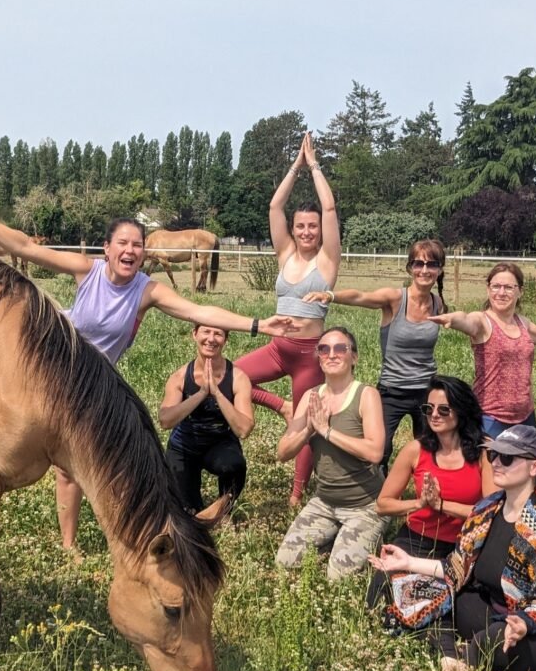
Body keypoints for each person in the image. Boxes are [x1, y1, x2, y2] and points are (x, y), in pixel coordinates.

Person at [0, 210, 294, 551]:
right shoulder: (87, 270)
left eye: (137, 245)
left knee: (79, 467)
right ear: (107, 248)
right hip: (48, 371)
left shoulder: (147, 291)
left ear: (144, 252)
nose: (130, 251)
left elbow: (199, 312)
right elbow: (24, 247)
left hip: (92, 388)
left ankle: (100, 537)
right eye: (122, 243)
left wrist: (260, 324)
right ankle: (64, 539)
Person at [369, 426, 536, 671]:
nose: (496, 463)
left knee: (497, 642)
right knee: (397, 584)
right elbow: (455, 568)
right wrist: (407, 562)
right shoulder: (487, 508)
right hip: (489, 609)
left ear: (534, 467)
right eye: (493, 455)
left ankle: (463, 655)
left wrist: (524, 623)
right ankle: (451, 654)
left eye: (507, 458)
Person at [235, 131, 341, 506]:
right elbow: (273, 207)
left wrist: (314, 166)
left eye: (312, 226)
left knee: (306, 425)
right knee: (232, 375)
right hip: (279, 348)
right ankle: (281, 405)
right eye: (301, 226)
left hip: (310, 356)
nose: (307, 231)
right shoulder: (285, 254)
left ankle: (297, 494)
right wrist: (294, 167)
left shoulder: (326, 261)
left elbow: (329, 210)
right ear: (294, 229)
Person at [305, 239, 445, 472]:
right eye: (418, 263)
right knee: (380, 450)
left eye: (432, 264)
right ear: (410, 267)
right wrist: (330, 295)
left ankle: (426, 492)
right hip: (392, 390)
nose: (424, 270)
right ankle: (378, 495)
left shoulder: (437, 303)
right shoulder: (395, 298)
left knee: (430, 446)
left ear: (439, 269)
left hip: (426, 390)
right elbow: (361, 297)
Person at [367, 375, 494, 607]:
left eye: (444, 409)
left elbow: (491, 512)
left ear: (462, 411)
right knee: (379, 595)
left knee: (468, 605)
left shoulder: (482, 452)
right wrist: (419, 504)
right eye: (429, 408)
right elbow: (382, 504)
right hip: (418, 539)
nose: (434, 415)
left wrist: (442, 505)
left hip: (463, 543)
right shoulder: (415, 450)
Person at [275, 327, 387, 580]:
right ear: (318, 357)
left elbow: (375, 452)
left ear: (354, 357)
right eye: (324, 349)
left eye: (341, 348)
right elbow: (283, 452)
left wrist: (326, 431)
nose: (332, 354)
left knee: (337, 578)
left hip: (365, 505)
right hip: (324, 502)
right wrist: (308, 431)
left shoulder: (366, 395)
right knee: (285, 562)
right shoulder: (310, 397)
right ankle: (335, 538)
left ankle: (359, 536)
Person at [430, 262, 536, 438]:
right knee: (489, 465)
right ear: (488, 289)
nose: (501, 293)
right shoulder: (483, 322)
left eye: (509, 287)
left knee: (529, 465)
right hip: (490, 418)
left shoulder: (523, 323)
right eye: (496, 286)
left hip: (525, 416)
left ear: (520, 291)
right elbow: (467, 320)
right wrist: (453, 319)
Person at [159, 324, 254, 512]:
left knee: (234, 466)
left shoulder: (238, 377)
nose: (211, 339)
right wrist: (201, 393)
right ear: (194, 334)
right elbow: (165, 421)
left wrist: (217, 393)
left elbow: (243, 429)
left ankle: (223, 509)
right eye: (206, 332)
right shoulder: (179, 377)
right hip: (184, 446)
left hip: (219, 444)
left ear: (225, 340)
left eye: (218, 333)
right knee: (187, 512)